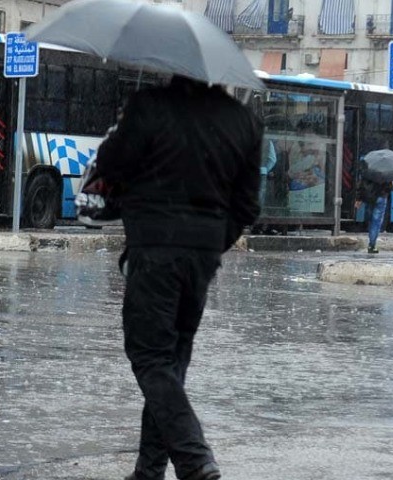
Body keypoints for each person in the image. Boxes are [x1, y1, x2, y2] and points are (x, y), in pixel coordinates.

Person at [95, 75, 262, 480]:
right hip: (203, 254)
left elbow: (110, 164)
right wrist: (210, 242)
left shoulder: (148, 106)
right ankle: (149, 470)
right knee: (171, 360)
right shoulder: (243, 121)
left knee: (149, 355)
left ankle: (194, 459)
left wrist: (121, 128)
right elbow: (247, 205)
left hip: (155, 247)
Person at [354, 170, 393, 254]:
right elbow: (390, 187)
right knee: (376, 222)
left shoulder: (368, 168)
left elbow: (361, 184)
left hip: (369, 197)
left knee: (371, 219)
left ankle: (371, 240)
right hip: (381, 198)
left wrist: (358, 198)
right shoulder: (387, 171)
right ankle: (372, 245)